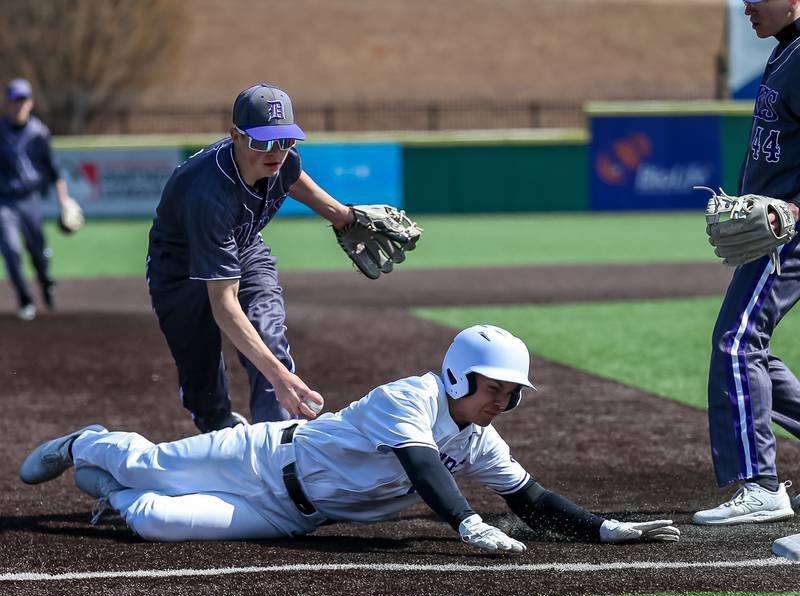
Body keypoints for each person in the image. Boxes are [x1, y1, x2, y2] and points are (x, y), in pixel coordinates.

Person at [19, 325, 680, 549]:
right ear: (456, 375)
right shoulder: (410, 399)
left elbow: (531, 498)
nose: (503, 402)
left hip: (286, 516)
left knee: (155, 518)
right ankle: (89, 443)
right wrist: (467, 524)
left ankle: (112, 493)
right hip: (261, 453)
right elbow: (423, 469)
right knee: (151, 463)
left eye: (511, 395)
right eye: (495, 389)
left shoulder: (478, 439)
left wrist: (603, 528)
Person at [146, 83, 357, 433]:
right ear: (236, 136)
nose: (275, 152)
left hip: (243, 247)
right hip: (179, 270)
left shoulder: (282, 160)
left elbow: (292, 178)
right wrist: (280, 378)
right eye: (262, 141)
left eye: (285, 140)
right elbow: (224, 304)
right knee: (203, 378)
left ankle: (274, 443)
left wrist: (341, 215)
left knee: (268, 334)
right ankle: (219, 426)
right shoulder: (208, 194)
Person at [693, 0, 800, 527]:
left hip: (788, 234)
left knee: (736, 343)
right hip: (774, 233)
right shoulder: (786, 51)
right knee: (749, 348)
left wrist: (793, 208)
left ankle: (759, 483)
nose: (747, 5)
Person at [0, 78, 78, 320]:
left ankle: (46, 281)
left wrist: (65, 201)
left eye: (23, 100)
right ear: (6, 103)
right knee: (11, 250)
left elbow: (54, 172)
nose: (18, 105)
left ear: (31, 103)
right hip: (4, 202)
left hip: (30, 199)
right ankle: (25, 299)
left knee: (38, 252)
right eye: (14, 101)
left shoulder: (39, 133)